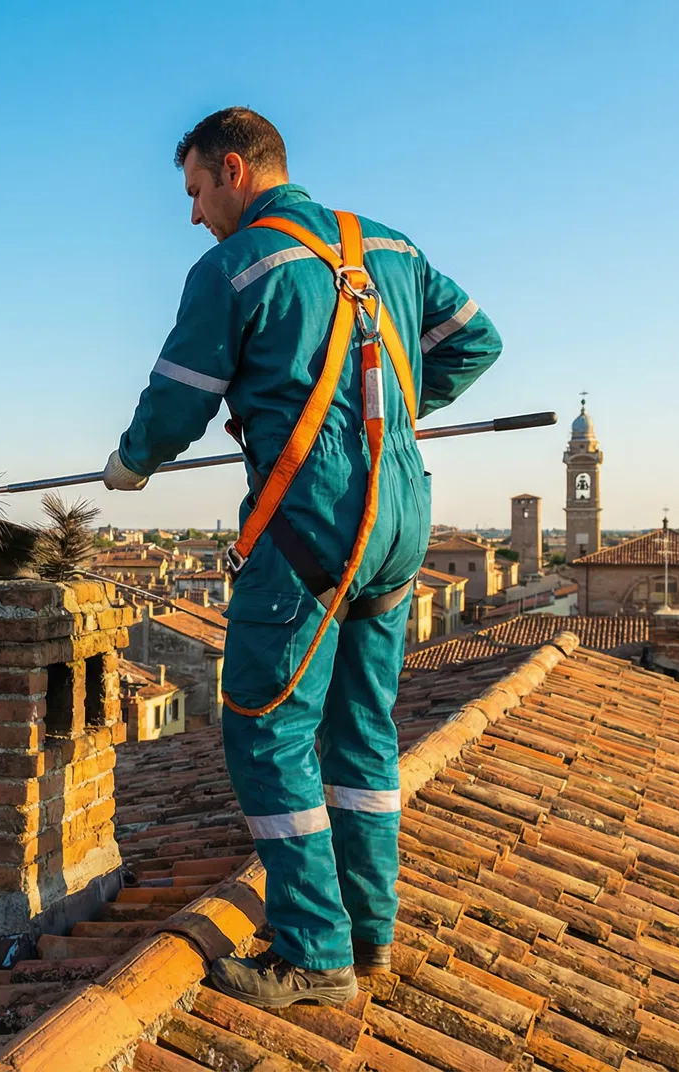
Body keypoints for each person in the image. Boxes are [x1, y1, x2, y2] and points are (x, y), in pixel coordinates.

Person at [103, 107, 501, 1007]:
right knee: (363, 731)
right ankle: (372, 935)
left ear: (235, 170)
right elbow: (479, 342)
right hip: (401, 522)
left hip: (311, 520)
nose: (195, 214)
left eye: (198, 191)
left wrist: (130, 465)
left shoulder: (234, 267)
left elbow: (175, 406)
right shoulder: (388, 247)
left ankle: (316, 954)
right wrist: (389, 411)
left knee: (266, 727)